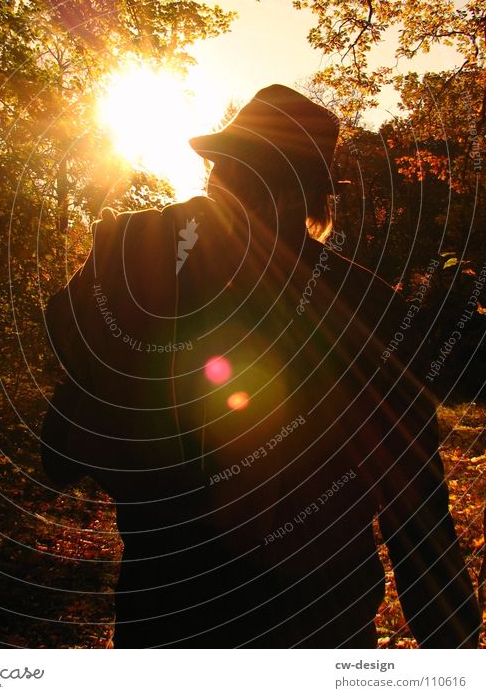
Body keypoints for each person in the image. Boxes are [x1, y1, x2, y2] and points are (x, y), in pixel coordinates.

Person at [41, 84, 481, 648]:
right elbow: (417, 514)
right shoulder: (368, 307)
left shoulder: (134, 253)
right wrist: (457, 653)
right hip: (316, 621)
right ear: (319, 194)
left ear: (219, 168)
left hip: (165, 604)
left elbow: (73, 372)